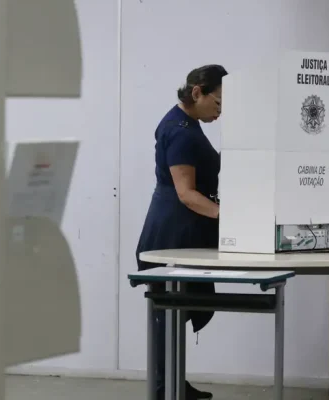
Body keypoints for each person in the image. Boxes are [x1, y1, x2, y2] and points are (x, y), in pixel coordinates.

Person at [135, 64, 226, 400]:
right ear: (198, 92)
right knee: (167, 312)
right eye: (217, 103)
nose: (220, 111)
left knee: (177, 311)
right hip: (173, 232)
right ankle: (163, 388)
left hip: (181, 228)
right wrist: (228, 217)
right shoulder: (180, 131)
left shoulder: (187, 124)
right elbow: (186, 194)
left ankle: (173, 383)